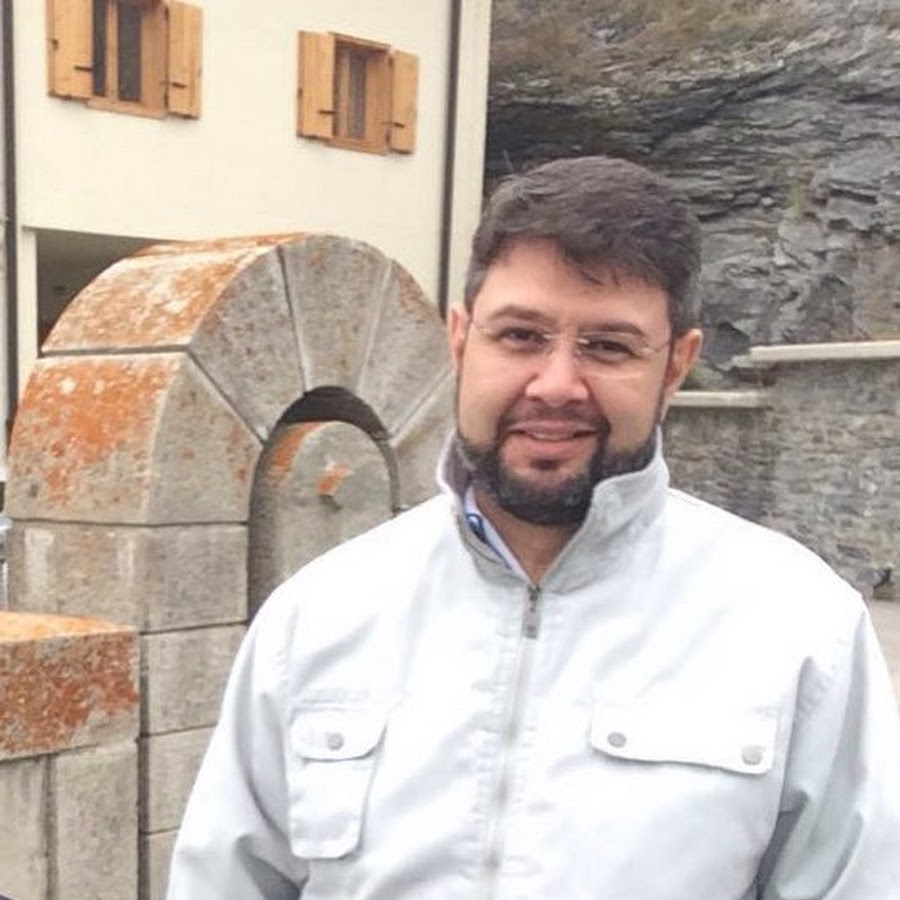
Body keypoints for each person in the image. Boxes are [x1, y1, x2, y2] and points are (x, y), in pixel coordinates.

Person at [167, 156, 900, 899]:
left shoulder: (800, 629)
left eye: (608, 346)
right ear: (461, 340)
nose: (555, 385)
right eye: (520, 336)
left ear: (676, 365)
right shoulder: (316, 616)